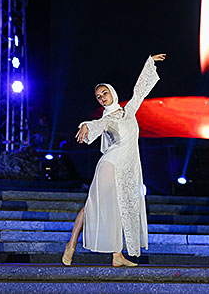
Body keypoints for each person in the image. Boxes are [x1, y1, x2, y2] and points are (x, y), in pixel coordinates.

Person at [61, 54, 166, 267]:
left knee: (120, 207)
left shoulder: (129, 112)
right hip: (110, 165)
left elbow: (140, 91)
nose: (101, 97)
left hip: (126, 167)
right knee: (92, 206)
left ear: (112, 93)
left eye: (104, 93)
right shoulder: (107, 119)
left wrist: (149, 63)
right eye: (98, 96)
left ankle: (117, 255)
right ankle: (71, 244)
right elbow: (96, 124)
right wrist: (85, 125)